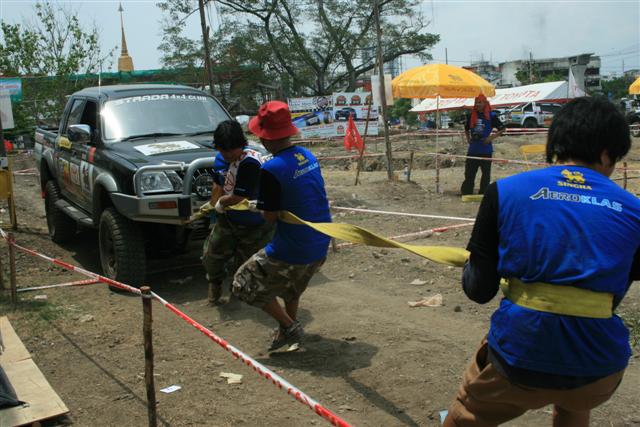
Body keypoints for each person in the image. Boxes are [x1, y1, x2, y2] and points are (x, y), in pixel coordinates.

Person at [444, 97, 640, 427]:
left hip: (521, 358)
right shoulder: (634, 210)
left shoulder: (505, 192)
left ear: (556, 143)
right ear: (608, 154)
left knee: (467, 412)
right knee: (575, 399)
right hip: (599, 369)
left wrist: (473, 266)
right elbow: (615, 292)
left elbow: (479, 290)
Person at [232, 101, 331, 351]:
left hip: (295, 247)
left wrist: (258, 207)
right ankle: (286, 329)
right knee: (290, 287)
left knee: (243, 281)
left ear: (264, 137)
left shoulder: (271, 169)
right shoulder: (307, 156)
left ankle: (290, 327)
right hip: (321, 241)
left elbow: (270, 217)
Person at [202, 120, 273, 305]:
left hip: (254, 224)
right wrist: (212, 209)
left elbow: (239, 197)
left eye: (231, 150)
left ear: (241, 145)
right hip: (227, 219)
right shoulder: (221, 160)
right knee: (212, 256)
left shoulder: (250, 162)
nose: (228, 155)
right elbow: (218, 185)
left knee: (245, 265)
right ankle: (214, 285)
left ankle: (237, 299)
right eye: (223, 150)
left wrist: (221, 203)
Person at [460, 94, 505, 195]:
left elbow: (502, 129)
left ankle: (483, 193)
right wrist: (468, 139)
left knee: (486, 174)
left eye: (480, 102)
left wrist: (490, 138)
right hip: (473, 150)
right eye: (476, 102)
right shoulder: (471, 115)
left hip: (486, 150)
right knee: (469, 173)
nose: (477, 104)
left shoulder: (492, 116)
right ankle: (467, 192)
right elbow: (466, 129)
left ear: (485, 103)